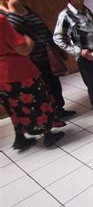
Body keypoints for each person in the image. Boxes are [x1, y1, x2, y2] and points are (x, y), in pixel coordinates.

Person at [0, 0, 76, 119]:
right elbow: (14, 30)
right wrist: (12, 10)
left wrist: (56, 47)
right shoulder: (4, 15)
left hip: (46, 52)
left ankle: (59, 109)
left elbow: (42, 27)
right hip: (28, 59)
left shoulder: (25, 8)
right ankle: (51, 116)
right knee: (42, 88)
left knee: (54, 82)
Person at [0, 15, 65, 150]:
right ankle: (48, 135)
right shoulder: (1, 20)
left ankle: (20, 138)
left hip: (2, 76)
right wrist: (29, 41)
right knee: (39, 102)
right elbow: (22, 50)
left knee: (14, 107)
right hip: (18, 70)